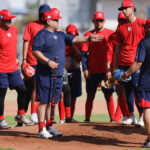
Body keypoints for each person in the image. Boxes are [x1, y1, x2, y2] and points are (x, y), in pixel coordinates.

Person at [32, 9, 102, 139]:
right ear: (48, 20)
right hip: (45, 74)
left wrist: (88, 38)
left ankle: (49, 126)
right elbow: (35, 51)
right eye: (55, 19)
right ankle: (41, 129)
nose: (58, 21)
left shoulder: (60, 35)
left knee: (53, 102)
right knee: (44, 102)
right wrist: (48, 61)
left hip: (58, 75)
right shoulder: (41, 35)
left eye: (58, 19)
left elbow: (75, 39)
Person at [112, 0, 145, 126]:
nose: (123, 10)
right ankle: (131, 115)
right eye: (122, 9)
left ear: (132, 8)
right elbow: (118, 47)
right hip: (122, 63)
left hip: (136, 64)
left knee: (138, 90)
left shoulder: (142, 24)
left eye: (125, 8)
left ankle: (142, 115)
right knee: (126, 90)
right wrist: (115, 65)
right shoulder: (120, 27)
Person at [119, 18, 150, 148]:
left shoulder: (144, 42)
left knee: (147, 109)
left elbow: (138, 63)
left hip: (147, 81)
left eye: (145, 27)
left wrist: (125, 75)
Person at [0, 9, 33, 129]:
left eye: (10, 19)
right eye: (7, 19)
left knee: (23, 89)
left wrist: (15, 58)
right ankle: (1, 120)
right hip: (1, 68)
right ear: (1, 20)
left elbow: (10, 47)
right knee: (1, 94)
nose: (9, 21)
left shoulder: (13, 29)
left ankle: (20, 115)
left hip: (13, 67)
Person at [81, 11, 116, 122]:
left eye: (101, 20)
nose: (99, 23)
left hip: (107, 72)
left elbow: (115, 52)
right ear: (93, 21)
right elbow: (83, 54)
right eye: (97, 20)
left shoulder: (110, 34)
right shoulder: (88, 35)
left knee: (109, 95)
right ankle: (87, 119)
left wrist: (111, 70)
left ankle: (113, 119)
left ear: (104, 21)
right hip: (93, 70)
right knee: (90, 95)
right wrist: (85, 69)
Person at [21, 4, 51, 126]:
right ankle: (31, 114)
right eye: (42, 13)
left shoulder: (50, 26)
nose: (43, 15)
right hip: (32, 61)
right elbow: (26, 42)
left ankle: (27, 114)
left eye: (45, 13)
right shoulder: (32, 25)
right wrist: (23, 60)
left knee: (34, 88)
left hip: (44, 62)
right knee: (32, 88)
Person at [106, 12, 130, 122]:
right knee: (120, 91)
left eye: (123, 20)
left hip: (131, 66)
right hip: (119, 68)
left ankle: (138, 117)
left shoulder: (133, 32)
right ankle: (123, 117)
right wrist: (109, 70)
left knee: (133, 91)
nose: (121, 22)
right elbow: (109, 54)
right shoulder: (113, 36)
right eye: (120, 20)